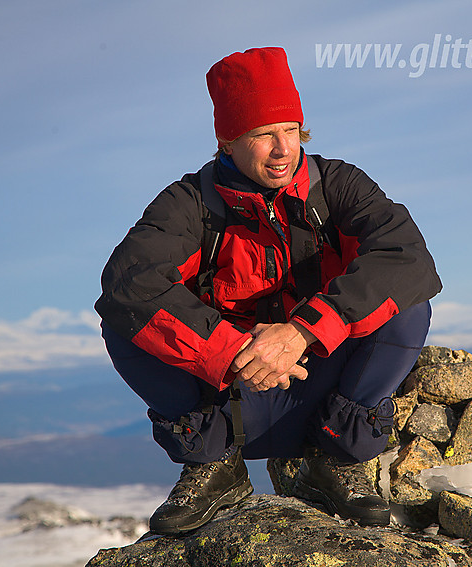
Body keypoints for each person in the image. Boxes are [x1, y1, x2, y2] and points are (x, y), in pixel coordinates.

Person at [95, 46, 441, 534]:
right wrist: (237, 352)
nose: (283, 149)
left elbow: (406, 259)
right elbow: (130, 284)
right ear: (228, 140)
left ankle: (338, 459)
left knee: (409, 306)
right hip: (228, 388)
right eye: (263, 135)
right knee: (123, 320)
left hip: (322, 375)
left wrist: (300, 333)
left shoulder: (337, 185)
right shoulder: (191, 203)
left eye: (290, 131)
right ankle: (213, 465)